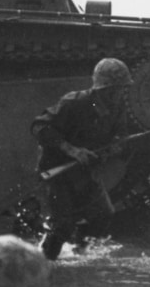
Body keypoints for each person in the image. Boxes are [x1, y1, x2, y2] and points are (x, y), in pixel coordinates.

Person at [30, 58, 134, 260]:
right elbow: (39, 127)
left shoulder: (117, 107)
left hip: (85, 172)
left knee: (103, 214)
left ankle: (80, 257)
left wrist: (111, 150)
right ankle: (45, 263)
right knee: (63, 225)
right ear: (105, 89)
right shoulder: (74, 102)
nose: (121, 93)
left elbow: (120, 136)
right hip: (58, 170)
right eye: (118, 89)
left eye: (122, 89)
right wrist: (72, 150)